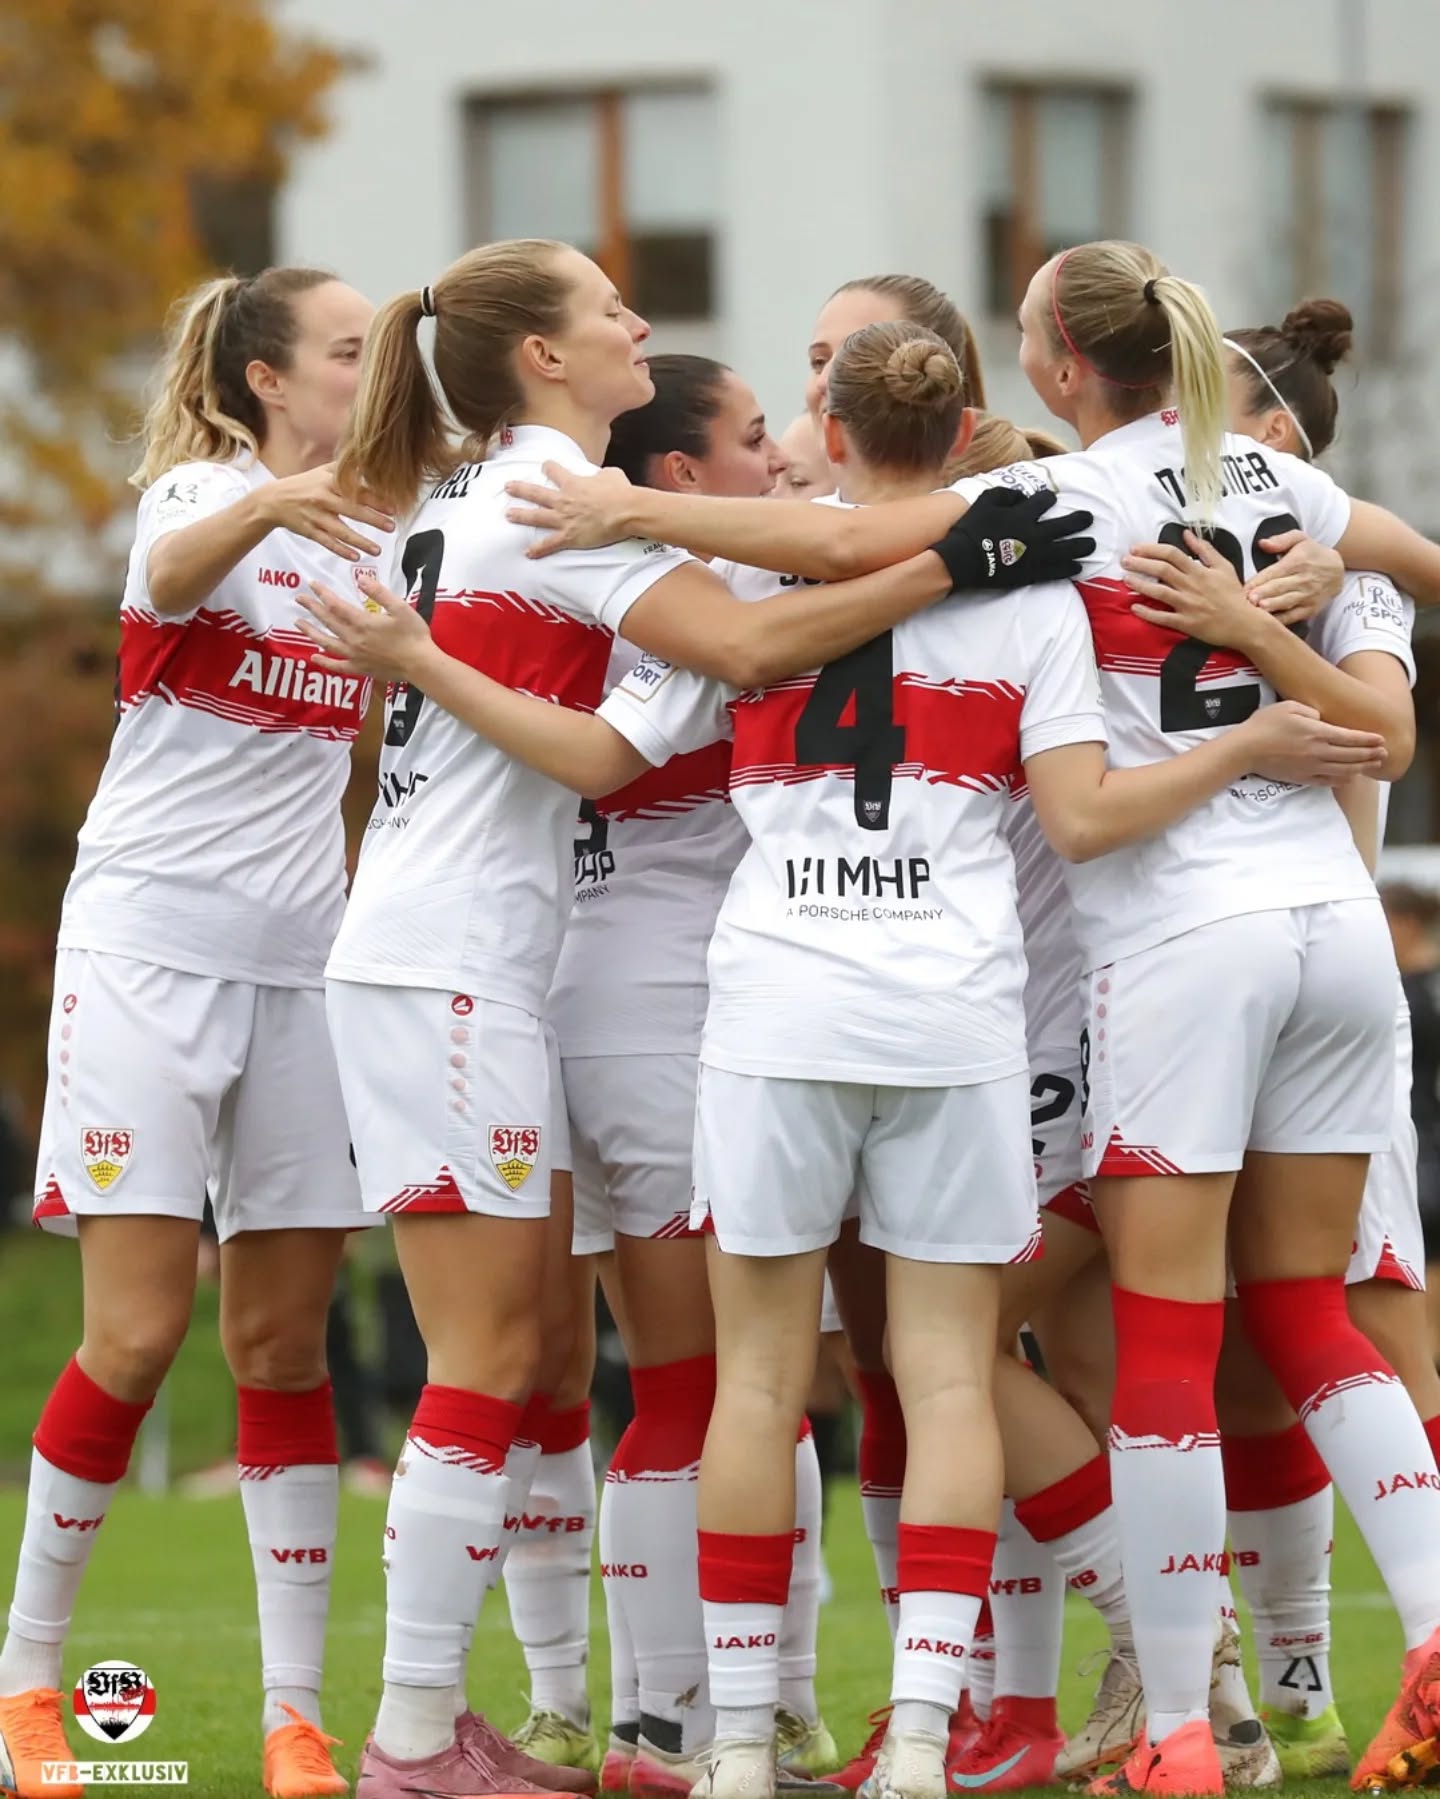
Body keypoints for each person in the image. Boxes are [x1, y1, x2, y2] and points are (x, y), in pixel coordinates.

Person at [301, 317, 1382, 1799]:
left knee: (743, 1381)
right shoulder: (1033, 594)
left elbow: (646, 724)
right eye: (753, 430)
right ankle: (957, 1726)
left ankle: (721, 1732)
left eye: (791, 419)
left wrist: (494, 608)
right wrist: (1269, 669)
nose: (770, 453)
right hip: (954, 1021)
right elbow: (1077, 806)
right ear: (963, 433)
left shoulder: (737, 572)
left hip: (748, 1010)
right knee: (938, 1376)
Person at [309, 237, 1093, 1799]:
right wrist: (967, 556)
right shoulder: (548, 499)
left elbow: (655, 694)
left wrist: (940, 541)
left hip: (526, 965)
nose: (639, 319)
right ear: (544, 360)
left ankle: (675, 1723)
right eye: (609, 308)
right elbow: (733, 648)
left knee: (567, 1359)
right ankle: (487, 1732)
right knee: (553, 1363)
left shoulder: (486, 494)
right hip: (555, 971)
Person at [1, 267, 393, 1799]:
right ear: (260, 381)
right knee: (138, 1334)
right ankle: (33, 1679)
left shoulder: (360, 527)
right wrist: (275, 506)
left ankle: (296, 1718)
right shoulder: (198, 493)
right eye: (347, 353)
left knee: (285, 1340)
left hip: (306, 970)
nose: (370, 374)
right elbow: (167, 576)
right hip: (147, 954)